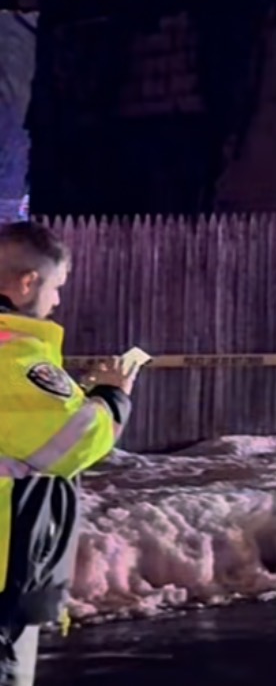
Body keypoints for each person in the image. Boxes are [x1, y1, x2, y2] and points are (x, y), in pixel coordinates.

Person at [0, 223, 136, 685]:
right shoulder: (13, 358)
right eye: (56, 287)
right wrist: (112, 397)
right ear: (26, 283)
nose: (57, 302)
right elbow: (73, 444)